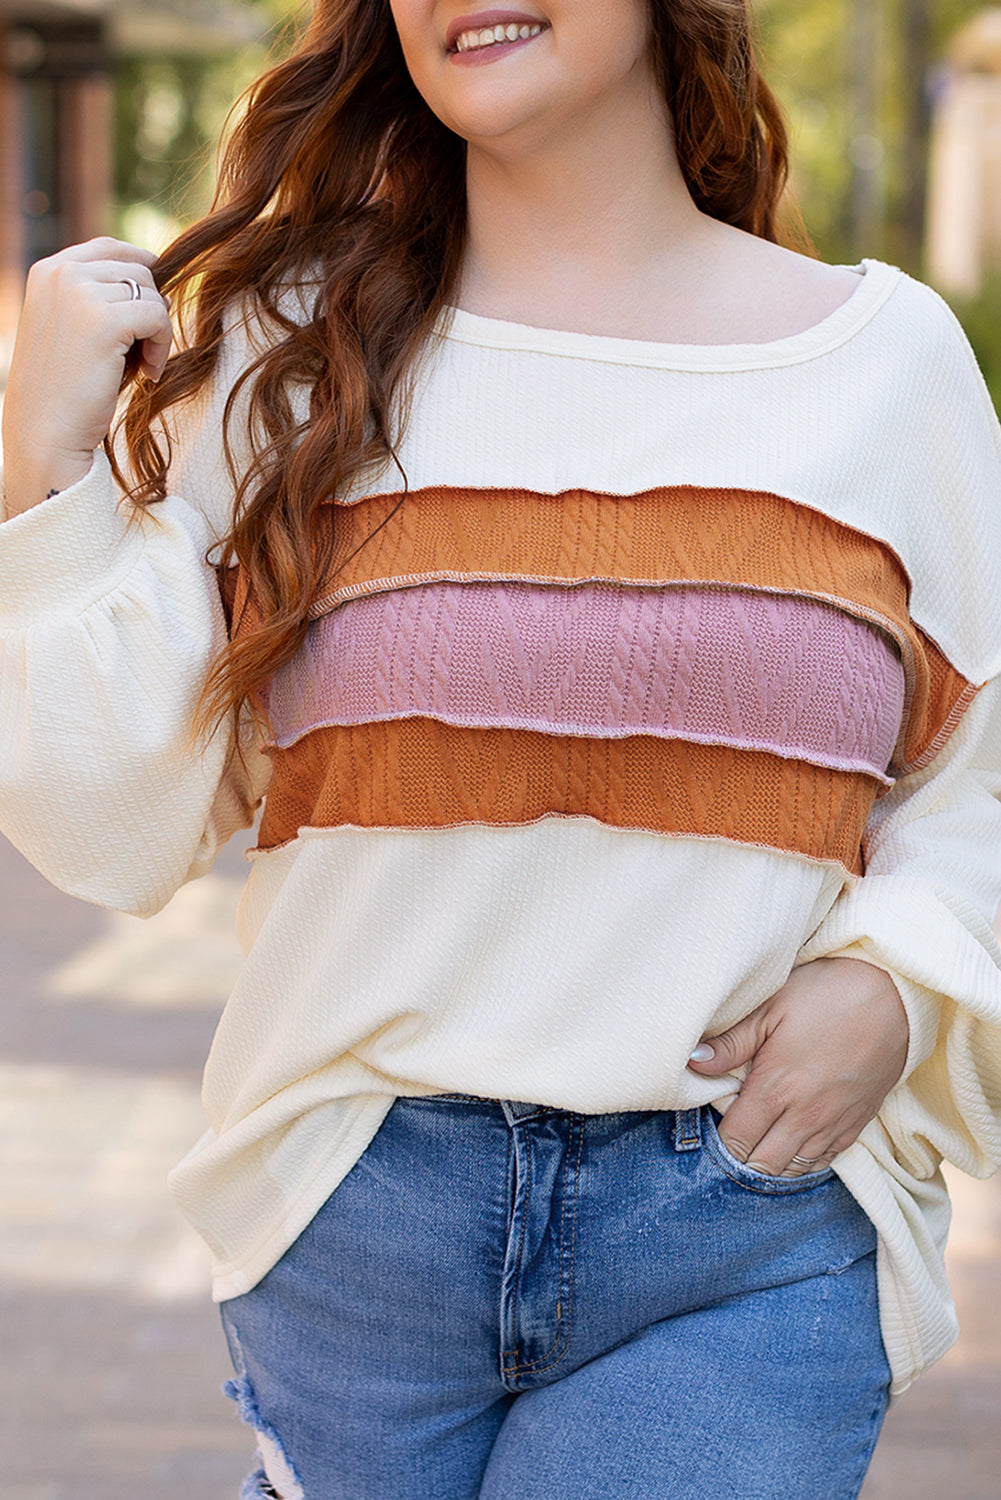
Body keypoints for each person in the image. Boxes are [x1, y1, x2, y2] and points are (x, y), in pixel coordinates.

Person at [2, 0, 1001, 1495]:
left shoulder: (882, 363)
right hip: (356, 1222)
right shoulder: (292, 353)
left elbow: (977, 761)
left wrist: (897, 978)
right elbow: (110, 831)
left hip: (741, 1225)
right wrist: (41, 470)